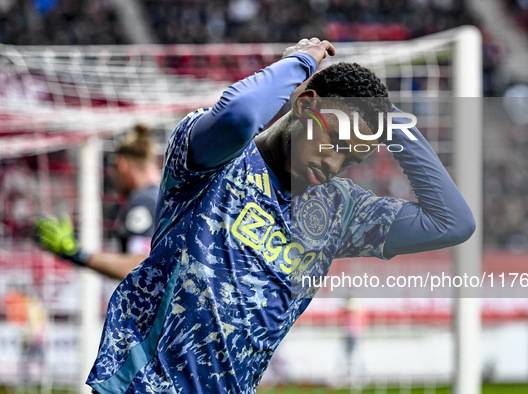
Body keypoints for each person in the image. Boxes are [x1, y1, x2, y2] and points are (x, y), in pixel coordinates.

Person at [86, 38, 475, 393]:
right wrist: (300, 62)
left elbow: (452, 223)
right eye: (334, 142)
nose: (335, 163)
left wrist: (390, 121)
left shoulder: (340, 211)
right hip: (145, 384)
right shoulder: (213, 159)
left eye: (351, 157)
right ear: (305, 104)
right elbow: (239, 114)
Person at [34, 125, 160, 280]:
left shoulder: (143, 201)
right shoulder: (164, 197)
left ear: (122, 165)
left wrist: (78, 255)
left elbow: (140, 266)